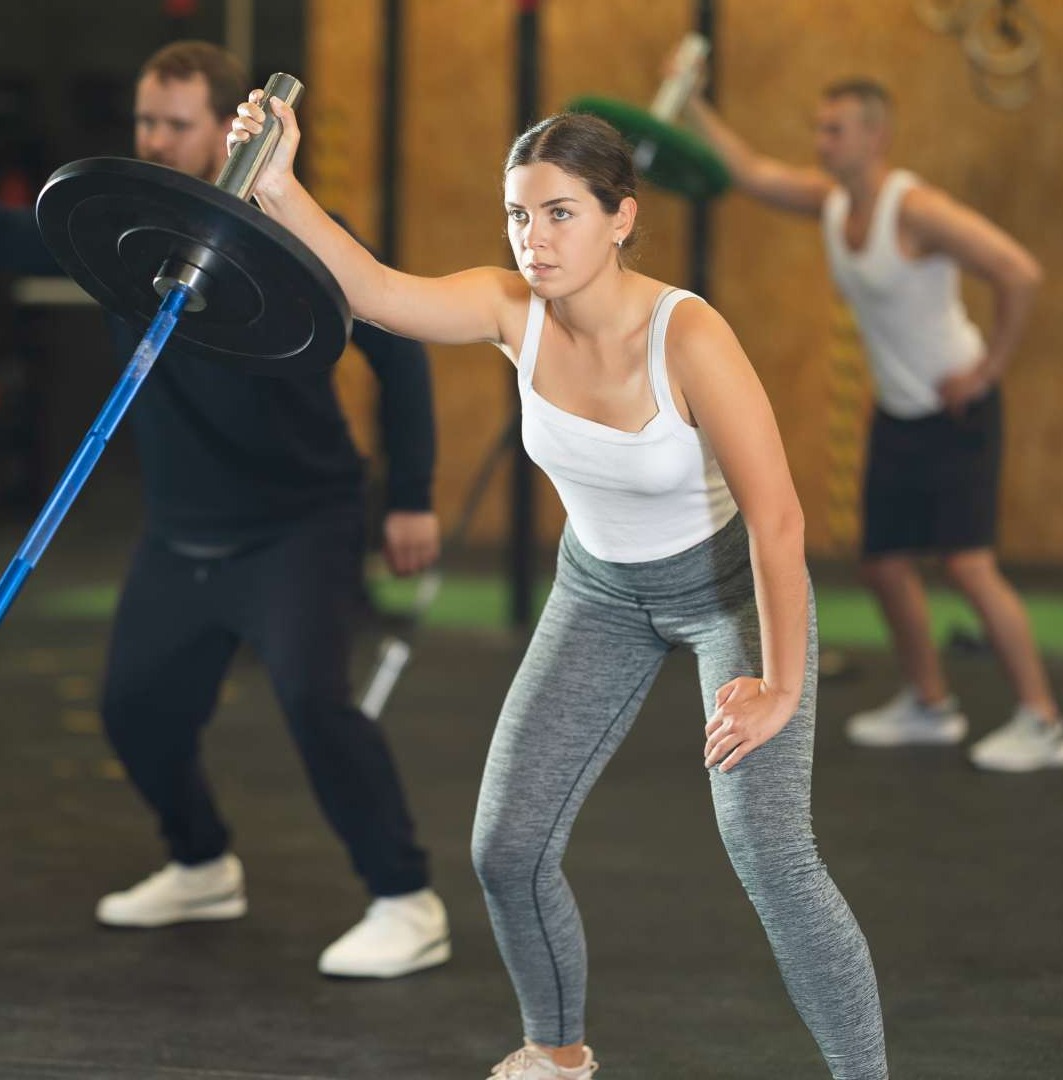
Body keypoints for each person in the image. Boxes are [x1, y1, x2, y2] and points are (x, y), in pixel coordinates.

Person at [230, 92, 888, 1078]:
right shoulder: (511, 311)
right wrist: (278, 183)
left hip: (730, 590)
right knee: (507, 846)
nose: (533, 239)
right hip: (600, 593)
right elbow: (369, 289)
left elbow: (778, 520)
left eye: (560, 213)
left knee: (769, 851)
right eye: (518, 215)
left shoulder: (688, 338)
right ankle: (559, 1056)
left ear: (621, 217)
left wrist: (781, 685)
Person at [0, 42, 453, 979]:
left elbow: (401, 351)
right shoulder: (118, 228)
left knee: (314, 703)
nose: (154, 139)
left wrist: (413, 495)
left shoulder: (296, 229)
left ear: (226, 127)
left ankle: (406, 898)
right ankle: (201, 863)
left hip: (298, 522)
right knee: (136, 712)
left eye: (175, 123)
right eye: (145, 120)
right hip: (183, 531)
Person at [682, 78, 1063, 773]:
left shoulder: (917, 209)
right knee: (884, 563)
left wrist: (988, 369)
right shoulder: (832, 203)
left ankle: (1045, 721)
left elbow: (1020, 271)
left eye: (835, 130)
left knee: (968, 565)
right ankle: (930, 703)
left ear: (875, 137)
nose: (822, 142)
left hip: (957, 411)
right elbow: (749, 173)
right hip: (898, 413)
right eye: (819, 128)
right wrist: (689, 99)